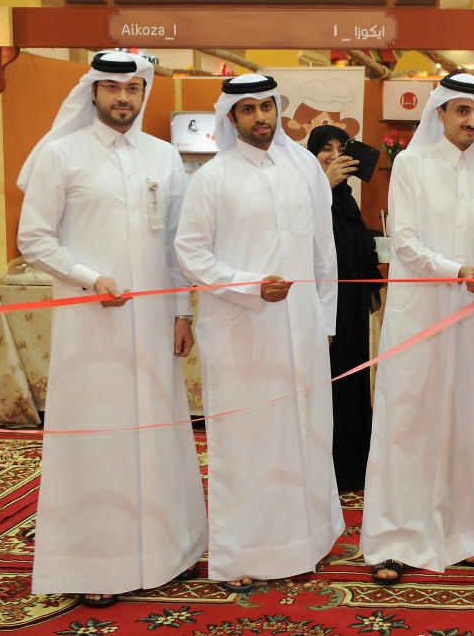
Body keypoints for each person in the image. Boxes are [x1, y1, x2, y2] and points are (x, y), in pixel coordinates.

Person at [17, 51, 206, 607]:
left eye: (133, 88)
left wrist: (182, 312)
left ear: (144, 93)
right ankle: (97, 564)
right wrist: (88, 278)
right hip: (90, 325)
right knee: (99, 440)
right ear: (94, 92)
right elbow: (34, 239)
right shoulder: (62, 154)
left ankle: (170, 552)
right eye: (112, 88)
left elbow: (175, 244)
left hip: (153, 325)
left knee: (157, 432)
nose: (124, 98)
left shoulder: (164, 156)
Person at [175, 74, 343, 593]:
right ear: (232, 117)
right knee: (248, 443)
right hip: (240, 333)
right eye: (247, 109)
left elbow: (324, 249)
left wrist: (326, 319)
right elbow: (190, 253)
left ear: (277, 110)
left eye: (265, 106)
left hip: (303, 331)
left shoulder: (305, 169)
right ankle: (244, 553)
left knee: (306, 433)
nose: (259, 117)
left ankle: (310, 541)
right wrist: (248, 286)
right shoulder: (212, 178)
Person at [361, 73, 474, 585]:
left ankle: (465, 532)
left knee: (464, 419)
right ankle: (394, 538)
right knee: (407, 420)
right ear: (441, 112)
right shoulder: (412, 164)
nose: (471, 122)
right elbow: (404, 241)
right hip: (419, 316)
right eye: (461, 111)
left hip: (471, 319)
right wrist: (456, 271)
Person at [306, 124, 381, 492]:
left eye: (341, 148)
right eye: (326, 149)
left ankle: (354, 465)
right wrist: (325, 185)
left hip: (349, 308)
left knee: (352, 380)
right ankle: (326, 467)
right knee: (327, 383)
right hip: (322, 307)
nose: (334, 156)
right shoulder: (308, 195)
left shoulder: (347, 200)